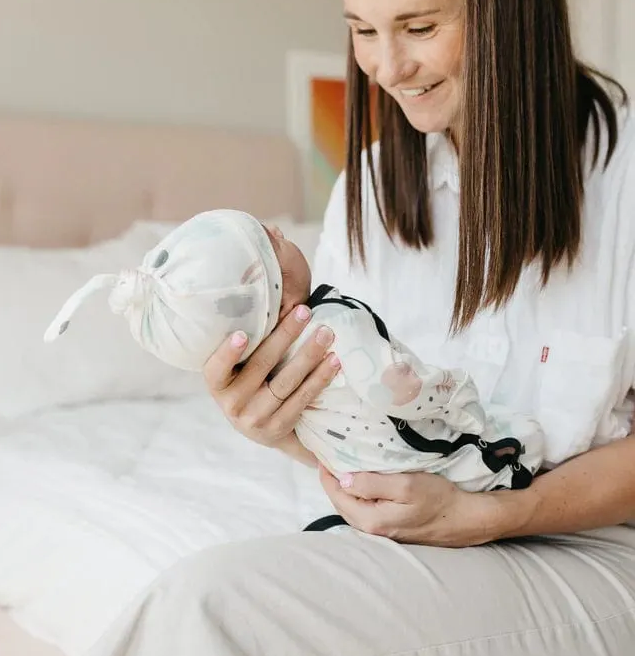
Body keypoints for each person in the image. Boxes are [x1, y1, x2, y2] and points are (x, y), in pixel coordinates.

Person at [0, 0, 635, 656]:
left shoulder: (624, 174)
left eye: (418, 24)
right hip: (429, 552)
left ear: (507, 1)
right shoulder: (370, 188)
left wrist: (496, 514)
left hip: (597, 567)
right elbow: (371, 437)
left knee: (211, 613)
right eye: (362, 29)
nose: (388, 66)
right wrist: (281, 427)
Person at [45, 207, 544, 489]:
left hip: (364, 477)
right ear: (272, 284)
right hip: (415, 456)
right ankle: (510, 464)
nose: (283, 231)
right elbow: (392, 387)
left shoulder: (276, 367)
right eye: (273, 238)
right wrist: (453, 392)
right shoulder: (332, 326)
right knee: (491, 445)